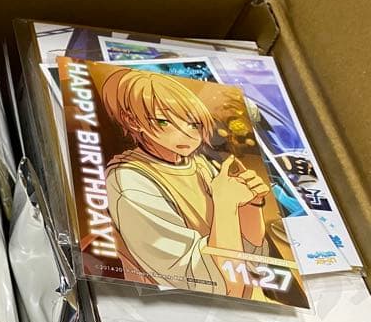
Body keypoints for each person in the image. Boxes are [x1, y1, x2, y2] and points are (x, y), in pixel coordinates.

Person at [100, 68, 275, 298]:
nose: (186, 134)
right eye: (164, 121)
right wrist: (225, 205)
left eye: (194, 124)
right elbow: (215, 284)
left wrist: (251, 206)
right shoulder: (129, 181)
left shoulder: (200, 164)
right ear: (133, 121)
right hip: (189, 307)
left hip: (248, 298)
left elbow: (251, 261)